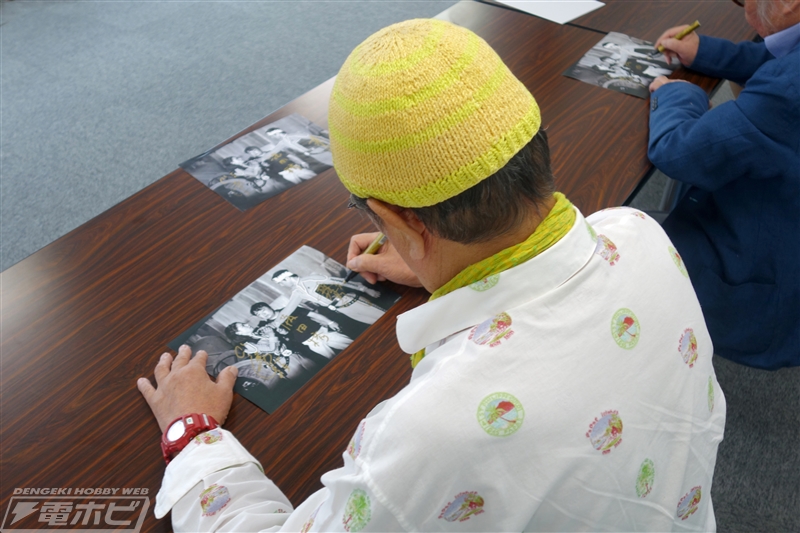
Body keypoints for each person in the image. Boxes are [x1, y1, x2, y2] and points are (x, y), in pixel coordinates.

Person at [137, 19, 725, 531]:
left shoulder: (435, 432)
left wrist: (194, 437)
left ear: (399, 221)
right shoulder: (636, 230)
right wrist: (450, 267)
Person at [647, 0, 800, 369]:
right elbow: (780, 53)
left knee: (612, 245)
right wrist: (706, 52)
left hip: (768, 286)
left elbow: (678, 152)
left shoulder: (788, 89)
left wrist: (678, 94)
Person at [271, 269, 385, 326]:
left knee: (382, 315)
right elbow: (288, 309)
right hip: (341, 310)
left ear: (287, 278)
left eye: (281, 283)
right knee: (374, 323)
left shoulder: (311, 278)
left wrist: (365, 289)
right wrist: (275, 324)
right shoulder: (297, 293)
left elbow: (340, 281)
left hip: (350, 301)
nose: (282, 285)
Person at [250, 302, 353, 359]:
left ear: (269, 307)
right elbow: (283, 339)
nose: (263, 314)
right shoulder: (267, 327)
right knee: (334, 359)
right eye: (259, 314)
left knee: (350, 345)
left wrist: (330, 322)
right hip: (310, 343)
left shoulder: (289, 309)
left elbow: (313, 314)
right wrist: (283, 333)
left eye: (263, 310)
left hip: (321, 332)